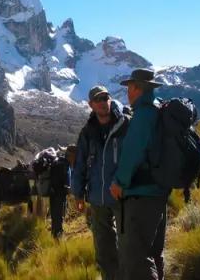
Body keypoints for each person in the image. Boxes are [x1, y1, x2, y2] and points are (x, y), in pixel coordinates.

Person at [110, 68, 170, 280]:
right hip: (158, 192)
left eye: (129, 87)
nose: (127, 92)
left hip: (141, 195)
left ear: (136, 88)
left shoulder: (143, 114)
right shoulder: (157, 109)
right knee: (154, 252)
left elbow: (132, 152)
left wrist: (119, 182)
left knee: (135, 255)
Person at [71, 85, 130, 280]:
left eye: (106, 98)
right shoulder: (88, 132)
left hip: (122, 196)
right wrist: (78, 194)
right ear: (91, 105)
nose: (103, 102)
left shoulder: (125, 125)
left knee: (128, 246)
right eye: (98, 100)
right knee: (103, 249)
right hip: (97, 197)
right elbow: (79, 164)